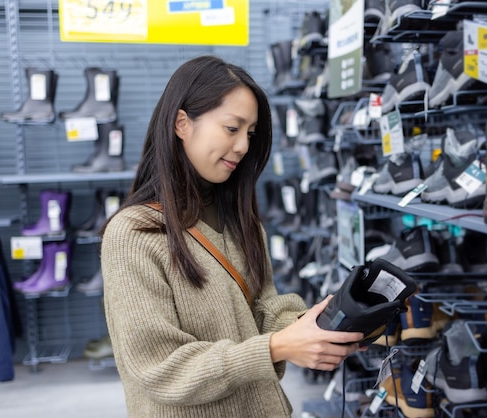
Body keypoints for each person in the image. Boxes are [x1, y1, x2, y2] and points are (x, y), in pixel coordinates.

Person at [100, 55, 365, 417]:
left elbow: (265, 307)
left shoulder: (240, 221)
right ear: (182, 123)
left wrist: (318, 327)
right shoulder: (134, 234)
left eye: (250, 133)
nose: (243, 146)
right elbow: (159, 368)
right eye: (232, 128)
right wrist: (274, 347)